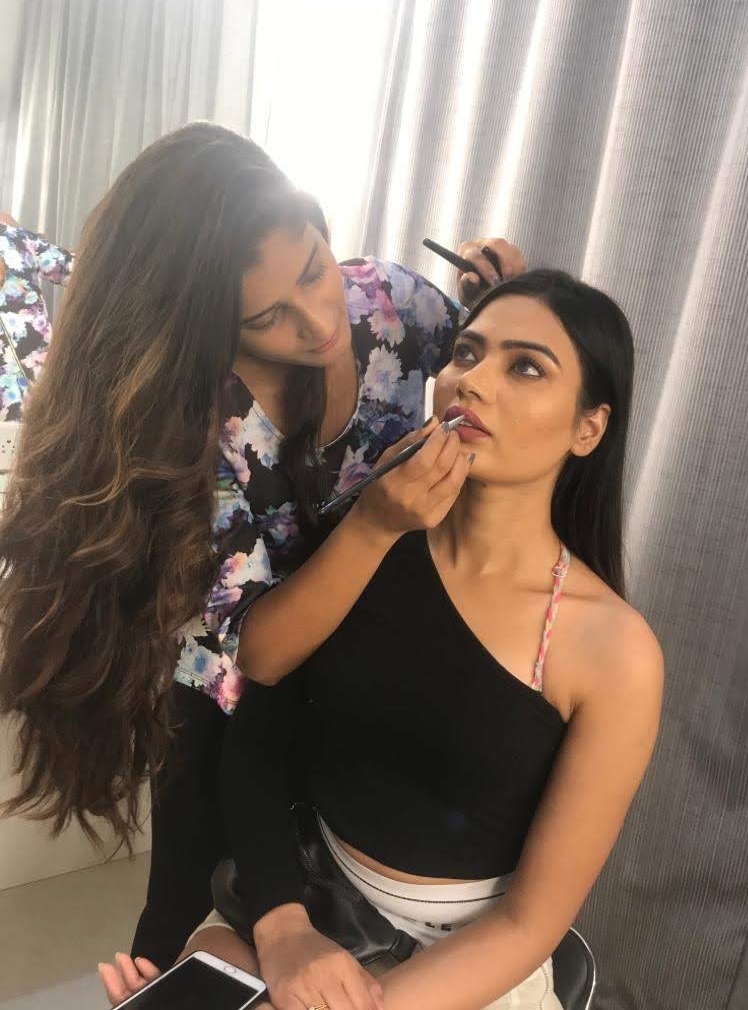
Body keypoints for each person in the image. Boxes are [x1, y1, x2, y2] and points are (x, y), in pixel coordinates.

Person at [0, 121, 524, 972]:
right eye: (268, 317)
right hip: (231, 698)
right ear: (208, 323)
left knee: (325, 917)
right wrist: (376, 525)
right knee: (187, 916)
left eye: (313, 268)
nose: (319, 322)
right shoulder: (195, 434)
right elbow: (263, 651)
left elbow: (483, 363)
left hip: (357, 677)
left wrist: (497, 296)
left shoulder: (385, 304)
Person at [101, 270, 664, 1010]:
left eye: (526, 367)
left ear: (588, 427)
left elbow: (529, 924)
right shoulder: (370, 540)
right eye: (466, 353)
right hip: (312, 900)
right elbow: (258, 738)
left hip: (468, 959)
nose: (472, 382)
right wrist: (283, 927)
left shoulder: (615, 652)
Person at [0, 211, 73, 419]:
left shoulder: (17, 237)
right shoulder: (17, 236)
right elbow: (75, 269)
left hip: (37, 384)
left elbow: (72, 269)